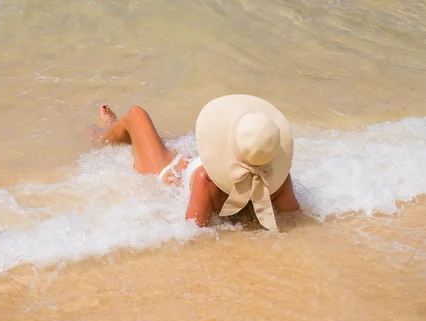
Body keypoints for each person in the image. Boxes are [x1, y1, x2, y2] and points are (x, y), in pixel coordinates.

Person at [87, 94, 300, 230]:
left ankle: (104, 133)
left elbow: (192, 231)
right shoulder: (276, 174)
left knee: (136, 115)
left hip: (169, 175)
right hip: (188, 166)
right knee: (166, 142)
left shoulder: (204, 179)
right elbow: (294, 218)